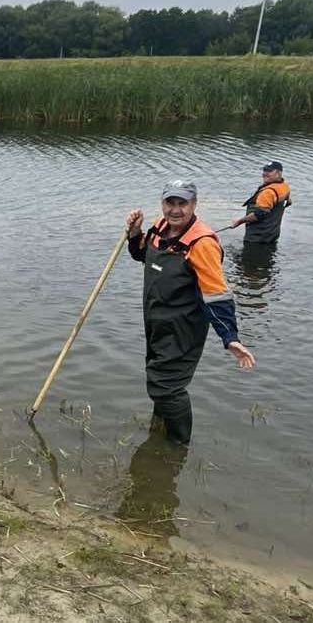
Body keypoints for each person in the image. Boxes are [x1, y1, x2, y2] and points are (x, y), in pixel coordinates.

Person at [125, 180, 255, 445]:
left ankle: (177, 447)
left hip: (183, 327)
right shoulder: (159, 228)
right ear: (162, 204)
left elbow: (217, 296)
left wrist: (230, 337)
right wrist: (135, 233)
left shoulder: (202, 243)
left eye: (182, 203)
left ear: (194, 205)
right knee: (158, 378)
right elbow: (142, 255)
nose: (175, 210)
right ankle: (157, 433)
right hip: (156, 321)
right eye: (170, 203)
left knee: (166, 386)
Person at [229, 161, 291, 245]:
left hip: (257, 238)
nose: (264, 174)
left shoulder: (267, 193)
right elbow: (288, 202)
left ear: (279, 173)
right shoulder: (284, 187)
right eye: (264, 171)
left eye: (269, 171)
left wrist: (239, 221)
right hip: (273, 235)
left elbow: (258, 215)